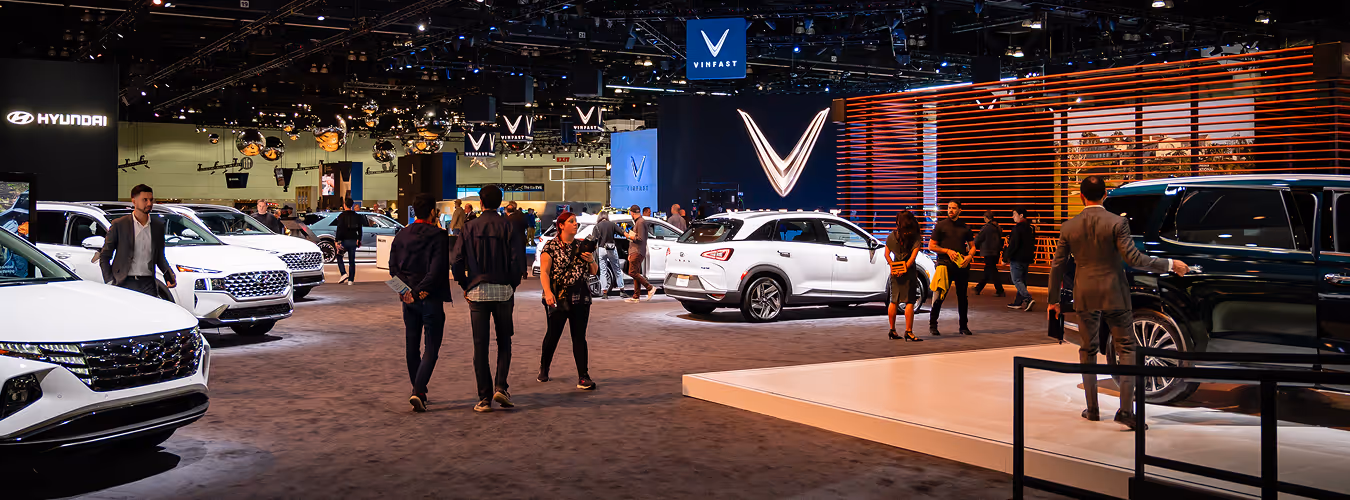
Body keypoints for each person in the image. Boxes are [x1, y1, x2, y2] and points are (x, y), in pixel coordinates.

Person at [1048, 176, 1190, 430]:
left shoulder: (1069, 226)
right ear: (1104, 196)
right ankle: (1126, 411)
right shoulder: (1117, 222)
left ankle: (1092, 409)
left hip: (1084, 295)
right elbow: (1134, 258)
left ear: (1081, 197)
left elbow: (1057, 265)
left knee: (1087, 351)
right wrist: (1169, 264)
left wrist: (1053, 301)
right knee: (1127, 351)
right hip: (1115, 294)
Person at [452, 185, 524, 413]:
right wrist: (512, 284)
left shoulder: (468, 227)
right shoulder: (508, 226)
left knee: (480, 346)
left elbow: (456, 261)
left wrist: (465, 284)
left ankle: (484, 398)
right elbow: (518, 261)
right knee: (504, 341)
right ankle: (501, 386)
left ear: (481, 204)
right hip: (504, 291)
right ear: (501, 203)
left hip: (477, 292)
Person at [389, 193, 450, 412]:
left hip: (407, 299)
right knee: (432, 346)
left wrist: (405, 292)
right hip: (429, 298)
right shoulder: (439, 235)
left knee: (411, 345)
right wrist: (420, 291)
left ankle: (419, 391)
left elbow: (392, 269)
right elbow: (437, 269)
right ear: (433, 211)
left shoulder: (401, 235)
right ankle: (418, 390)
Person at [538, 211, 600, 390]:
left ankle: (583, 376)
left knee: (579, 337)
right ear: (561, 225)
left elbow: (594, 272)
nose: (575, 224)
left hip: (581, 297)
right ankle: (544, 367)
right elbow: (544, 272)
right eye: (571, 221)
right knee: (553, 334)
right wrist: (548, 292)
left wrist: (590, 260)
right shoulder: (551, 247)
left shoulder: (582, 246)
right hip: (558, 297)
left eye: (575, 221)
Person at [99, 184, 176, 296]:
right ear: (134, 201)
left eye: (151, 200)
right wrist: (110, 280)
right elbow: (105, 255)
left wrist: (168, 274)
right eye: (145, 200)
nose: (149, 204)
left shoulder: (157, 226)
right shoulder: (119, 225)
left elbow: (159, 256)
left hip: (148, 283)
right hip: (124, 281)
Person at [928, 200, 974, 336]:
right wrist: (947, 251)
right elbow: (931, 246)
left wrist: (969, 257)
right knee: (939, 296)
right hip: (944, 265)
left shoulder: (965, 227)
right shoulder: (941, 226)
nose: (951, 210)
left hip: (961, 266)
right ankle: (933, 325)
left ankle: (963, 326)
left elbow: (973, 247)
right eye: (949, 208)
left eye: (954, 208)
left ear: (960, 210)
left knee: (962, 297)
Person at [885, 210, 923, 341]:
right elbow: (913, 257)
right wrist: (905, 268)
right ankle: (909, 331)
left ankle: (892, 330)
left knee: (893, 300)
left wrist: (893, 266)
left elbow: (886, 255)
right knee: (910, 301)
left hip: (895, 272)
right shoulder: (916, 237)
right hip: (909, 272)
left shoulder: (892, 236)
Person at [1005, 207, 1037, 311]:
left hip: (1017, 258)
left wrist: (1005, 257)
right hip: (1027, 258)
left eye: (1014, 214)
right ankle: (1018, 302)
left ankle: (1028, 298)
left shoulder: (1017, 228)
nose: (1013, 217)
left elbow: (1013, 244)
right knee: (1022, 280)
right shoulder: (1031, 228)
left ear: (1021, 215)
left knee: (1017, 280)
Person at [623, 205, 655, 302]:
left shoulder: (640, 222)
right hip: (635, 251)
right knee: (635, 273)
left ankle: (650, 288)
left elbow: (640, 239)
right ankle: (636, 296)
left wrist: (629, 236)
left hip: (637, 251)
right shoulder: (639, 222)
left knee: (632, 272)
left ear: (632, 213)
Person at [973, 210, 1006, 297]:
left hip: (988, 252)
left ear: (986, 218)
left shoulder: (986, 228)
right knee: (989, 270)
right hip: (996, 252)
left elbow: (978, 238)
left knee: (991, 270)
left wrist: (971, 246)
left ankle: (1000, 290)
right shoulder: (998, 227)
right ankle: (979, 288)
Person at [593, 211, 623, 298]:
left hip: (602, 249)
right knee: (617, 269)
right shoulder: (612, 224)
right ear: (607, 216)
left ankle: (605, 293)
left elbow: (594, 239)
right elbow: (621, 232)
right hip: (611, 248)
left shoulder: (597, 226)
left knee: (603, 271)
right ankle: (622, 290)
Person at [334, 197, 362, 285]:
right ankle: (351, 280)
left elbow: (339, 229)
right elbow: (360, 229)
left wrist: (337, 241)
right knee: (352, 260)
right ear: (352, 205)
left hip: (344, 241)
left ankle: (343, 273)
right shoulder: (357, 216)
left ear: (344, 205)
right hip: (353, 240)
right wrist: (359, 239)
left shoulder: (341, 216)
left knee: (339, 256)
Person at [506, 201, 529, 278]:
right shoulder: (521, 215)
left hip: (511, 238)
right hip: (521, 238)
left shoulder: (508, 217)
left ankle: (514, 271)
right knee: (522, 255)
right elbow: (526, 225)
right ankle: (524, 272)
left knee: (512, 255)